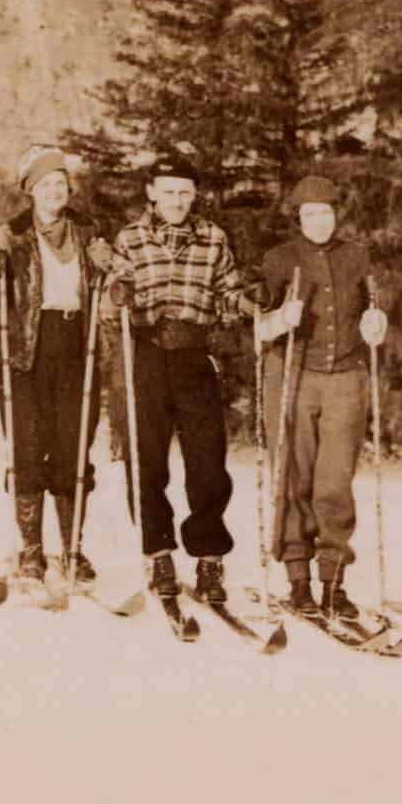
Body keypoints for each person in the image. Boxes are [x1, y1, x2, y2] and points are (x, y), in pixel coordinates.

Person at [102, 153, 260, 603]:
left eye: (184, 193)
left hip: (194, 355)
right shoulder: (130, 238)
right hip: (147, 354)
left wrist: (247, 303)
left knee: (207, 463)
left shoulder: (212, 238)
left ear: (195, 196)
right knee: (146, 460)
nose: (176, 200)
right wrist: (120, 295)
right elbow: (114, 294)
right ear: (151, 193)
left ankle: (209, 558)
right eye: (168, 192)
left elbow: (227, 297)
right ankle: (159, 551)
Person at [0, 146, 113, 582]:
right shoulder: (12, 233)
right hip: (25, 351)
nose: (55, 192)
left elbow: (110, 286)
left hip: (77, 346)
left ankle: (72, 549)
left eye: (61, 184)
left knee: (73, 451)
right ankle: (31, 550)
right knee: (28, 448)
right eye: (45, 185)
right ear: (30, 191)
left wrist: (109, 268)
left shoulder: (89, 232)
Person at [258, 175, 388, 617]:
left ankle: (332, 580)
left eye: (326, 212)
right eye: (310, 214)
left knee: (334, 482)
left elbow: (373, 309)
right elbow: (256, 323)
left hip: (345, 378)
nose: (319, 221)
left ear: (337, 214)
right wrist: (280, 318)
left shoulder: (357, 256)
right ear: (298, 217)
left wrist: (376, 325)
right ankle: (298, 582)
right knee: (293, 478)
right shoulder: (279, 259)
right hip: (293, 375)